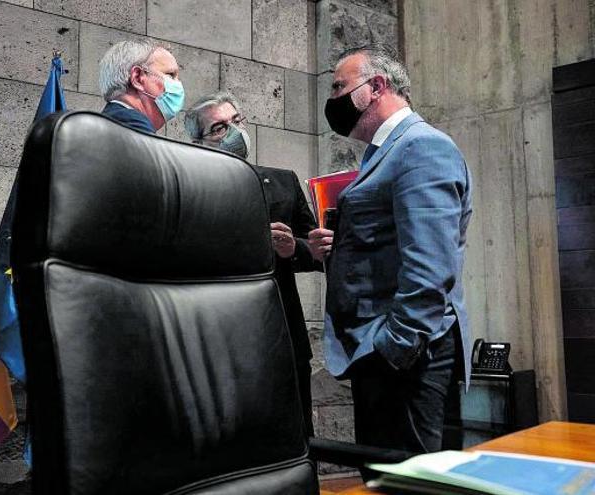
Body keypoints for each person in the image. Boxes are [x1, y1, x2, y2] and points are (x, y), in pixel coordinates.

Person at [308, 44, 472, 471]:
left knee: (406, 482)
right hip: (385, 352)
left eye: (341, 86)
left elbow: (430, 267)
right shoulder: (381, 153)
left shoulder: (421, 147)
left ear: (376, 86)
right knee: (382, 480)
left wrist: (393, 349)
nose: (334, 98)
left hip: (406, 356)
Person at [185, 91, 321, 440]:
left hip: (282, 333)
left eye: (236, 121)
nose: (233, 132)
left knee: (295, 436)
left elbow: (320, 251)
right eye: (219, 128)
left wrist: (293, 249)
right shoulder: (188, 188)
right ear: (198, 141)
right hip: (219, 338)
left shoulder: (283, 181)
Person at [98, 40, 184, 134]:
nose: (178, 83)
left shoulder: (111, 121)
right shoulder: (131, 125)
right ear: (138, 78)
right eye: (170, 75)